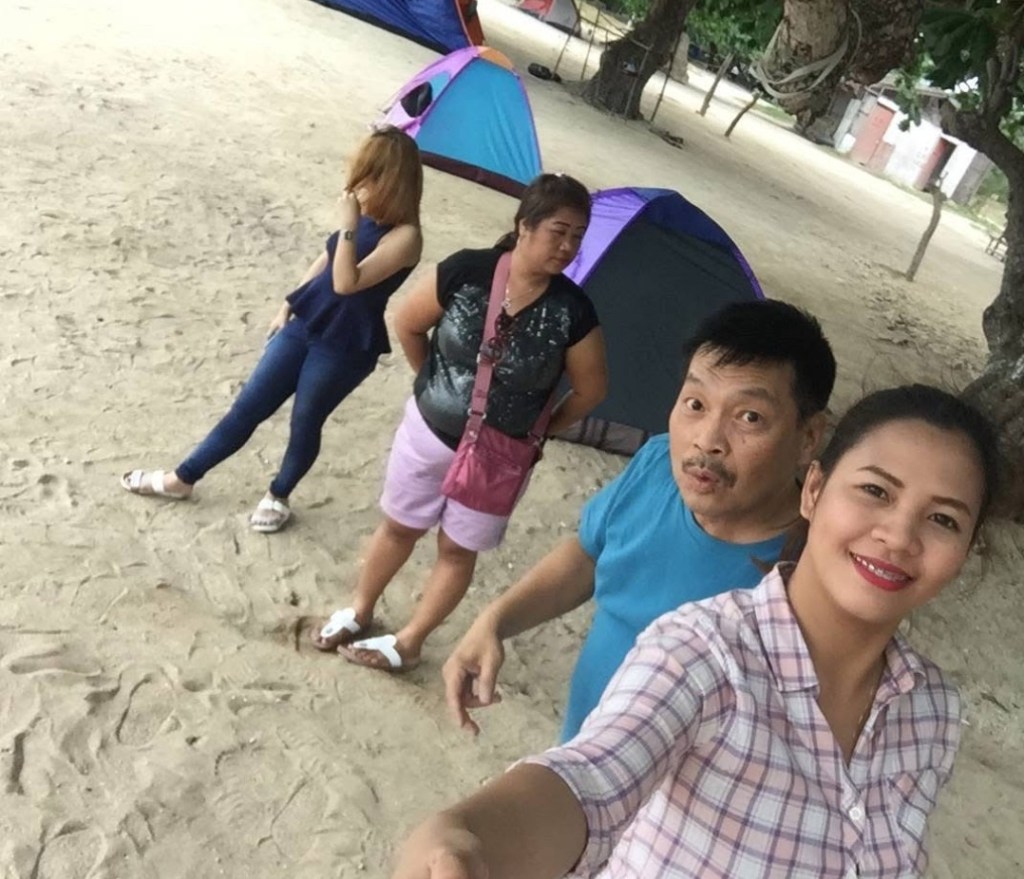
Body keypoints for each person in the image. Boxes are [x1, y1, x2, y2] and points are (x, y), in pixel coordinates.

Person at [392, 384, 1002, 879]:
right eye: (874, 491)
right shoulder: (704, 653)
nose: (898, 536)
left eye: (943, 519)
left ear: (966, 550)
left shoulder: (931, 712)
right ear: (814, 490)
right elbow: (591, 778)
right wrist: (469, 841)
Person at [444, 299, 836, 740]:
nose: (707, 440)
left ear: (808, 438)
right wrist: (495, 622)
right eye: (695, 403)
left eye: (750, 417)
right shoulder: (656, 466)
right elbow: (590, 554)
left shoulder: (811, 578)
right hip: (580, 745)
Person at [313, 173, 608, 672]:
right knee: (399, 526)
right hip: (428, 434)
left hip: (500, 457)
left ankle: (410, 641)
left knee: (456, 550)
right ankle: (360, 609)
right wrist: (434, 384)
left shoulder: (573, 311)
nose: (568, 247)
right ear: (524, 226)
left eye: (578, 236)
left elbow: (590, 390)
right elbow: (409, 324)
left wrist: (540, 429)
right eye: (558, 232)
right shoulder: (468, 270)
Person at [120, 126, 423, 532]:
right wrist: (287, 304)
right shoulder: (367, 213)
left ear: (391, 179)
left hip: (347, 342)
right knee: (248, 407)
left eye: (370, 174)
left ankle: (279, 494)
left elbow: (345, 282)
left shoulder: (406, 237)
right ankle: (183, 478)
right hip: (308, 320)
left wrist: (350, 225)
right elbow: (326, 259)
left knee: (305, 420)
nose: (359, 182)